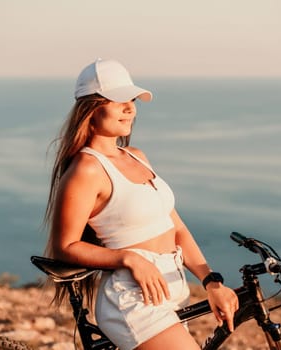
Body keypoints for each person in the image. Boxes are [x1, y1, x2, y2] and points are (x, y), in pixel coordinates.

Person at [44, 58, 239, 350]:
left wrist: (211, 282)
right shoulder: (87, 169)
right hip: (132, 300)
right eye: (119, 99)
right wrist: (129, 258)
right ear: (90, 109)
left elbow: (176, 227)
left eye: (132, 99)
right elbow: (66, 246)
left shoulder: (136, 156)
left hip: (171, 291)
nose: (130, 108)